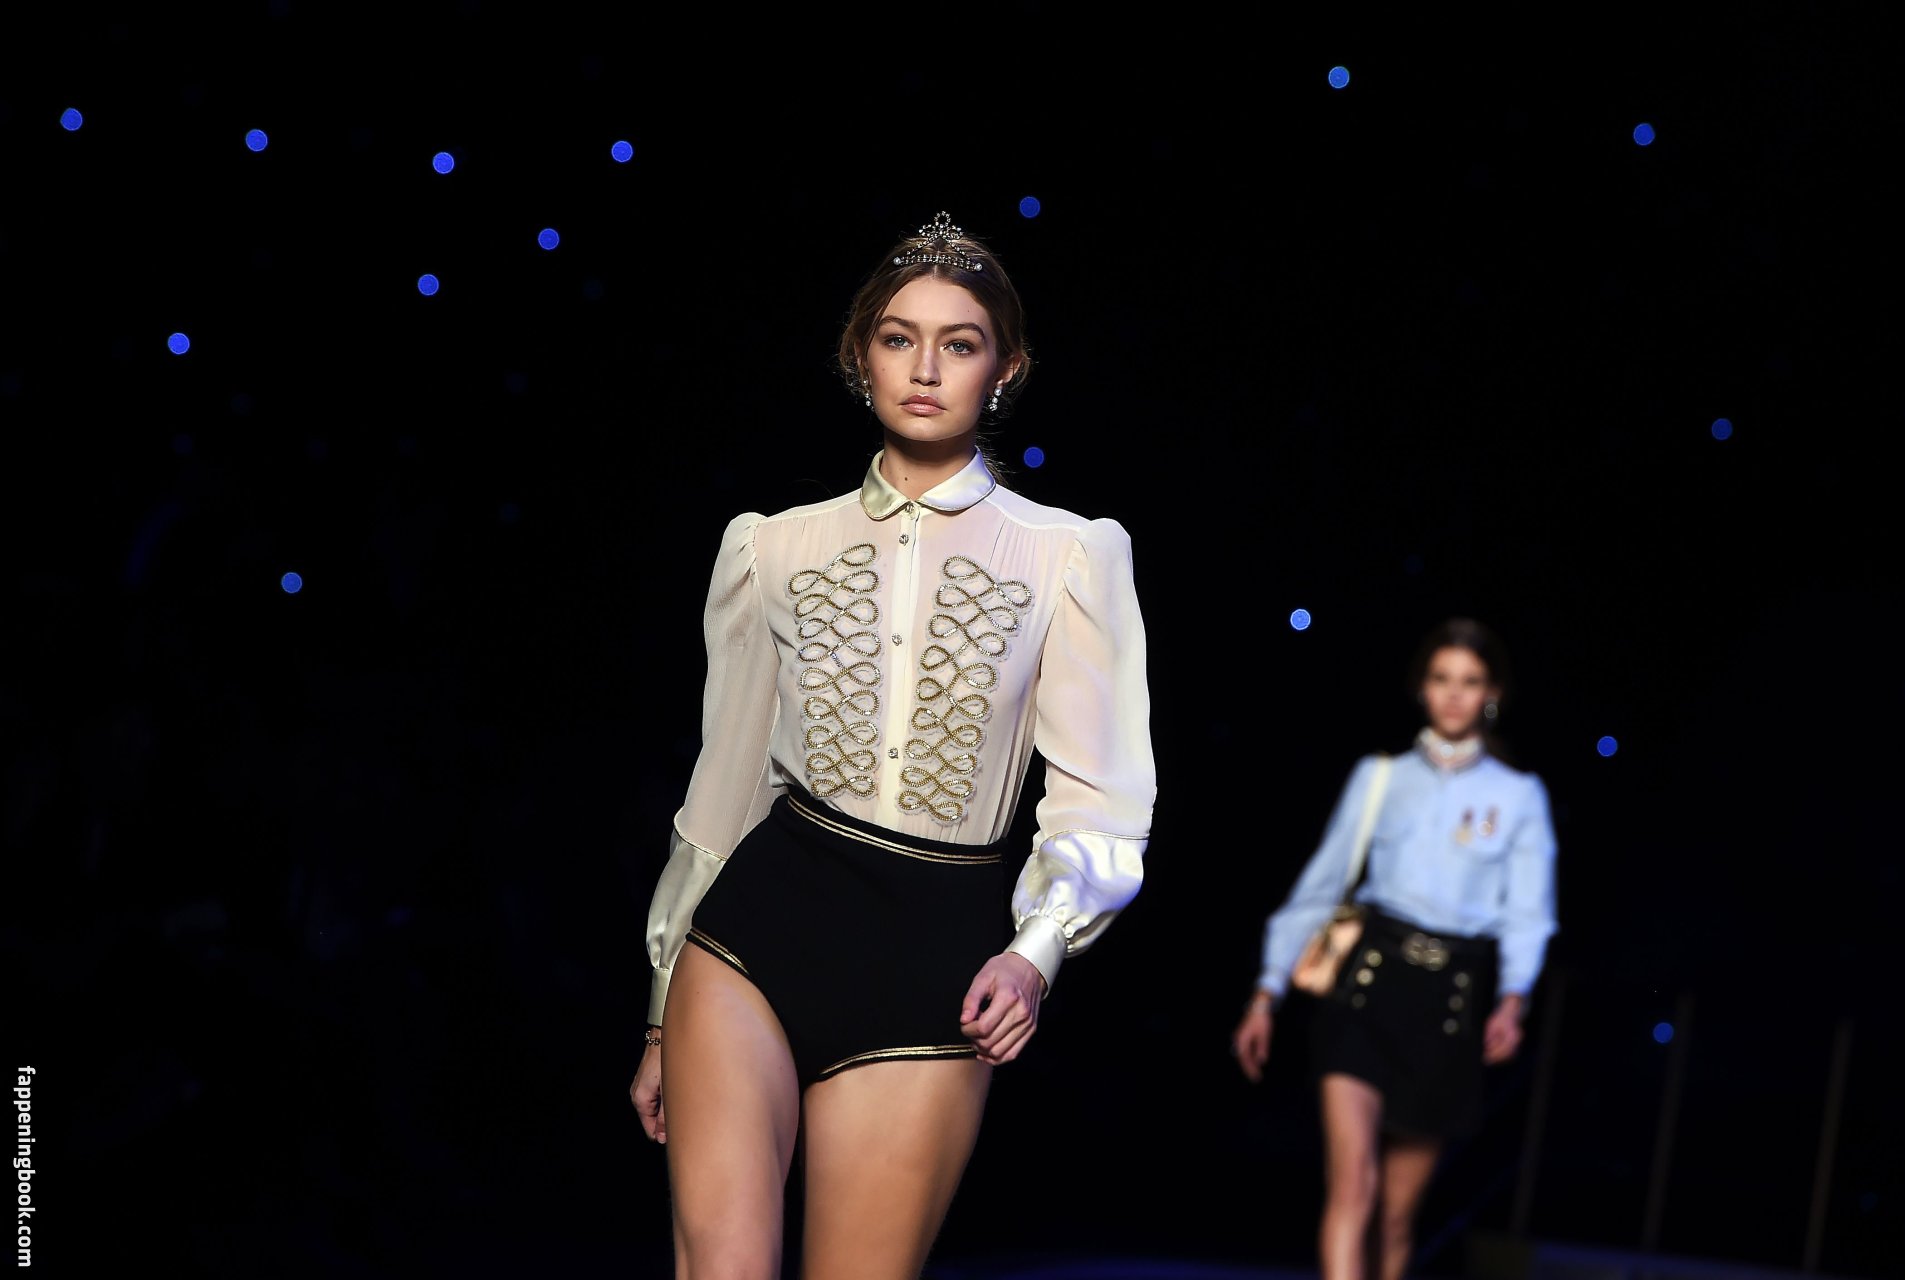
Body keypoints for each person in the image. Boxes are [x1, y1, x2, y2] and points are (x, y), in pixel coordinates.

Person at [628, 211, 1156, 1279]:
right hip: (753, 932)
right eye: (897, 337)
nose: (924, 369)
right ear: (857, 353)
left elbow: (1100, 793)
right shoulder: (772, 547)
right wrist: (657, 1013)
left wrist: (1038, 951)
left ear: (1005, 370)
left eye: (959, 343)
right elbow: (722, 789)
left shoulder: (1067, 555)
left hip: (936, 956)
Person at [1231, 617, 1557, 1280]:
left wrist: (1514, 1000)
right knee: (1353, 1186)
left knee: (1396, 1219)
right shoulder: (1379, 777)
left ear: (1491, 693)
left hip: (1450, 1003)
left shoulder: (1519, 796)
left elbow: (1528, 913)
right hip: (1367, 987)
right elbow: (1321, 884)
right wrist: (1267, 992)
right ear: (1421, 688)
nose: (1454, 694)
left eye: (1469, 681)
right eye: (1441, 678)